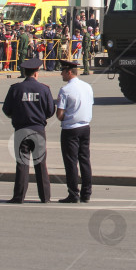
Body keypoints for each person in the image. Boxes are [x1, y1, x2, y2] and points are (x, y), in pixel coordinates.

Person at [1, 57, 56, 203]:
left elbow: (6, 110)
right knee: (41, 164)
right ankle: (45, 196)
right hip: (38, 130)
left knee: (22, 164)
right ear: (37, 73)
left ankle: (18, 196)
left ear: (24, 72)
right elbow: (50, 111)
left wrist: (16, 115)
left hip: (21, 130)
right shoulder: (44, 89)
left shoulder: (15, 89)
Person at [56, 59, 94, 203]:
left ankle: (73, 193)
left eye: (63, 71)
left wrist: (68, 116)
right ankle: (86, 193)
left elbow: (59, 114)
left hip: (70, 129)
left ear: (69, 72)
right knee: (85, 160)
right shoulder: (87, 87)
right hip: (85, 127)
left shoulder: (65, 90)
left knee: (71, 162)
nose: (61, 74)